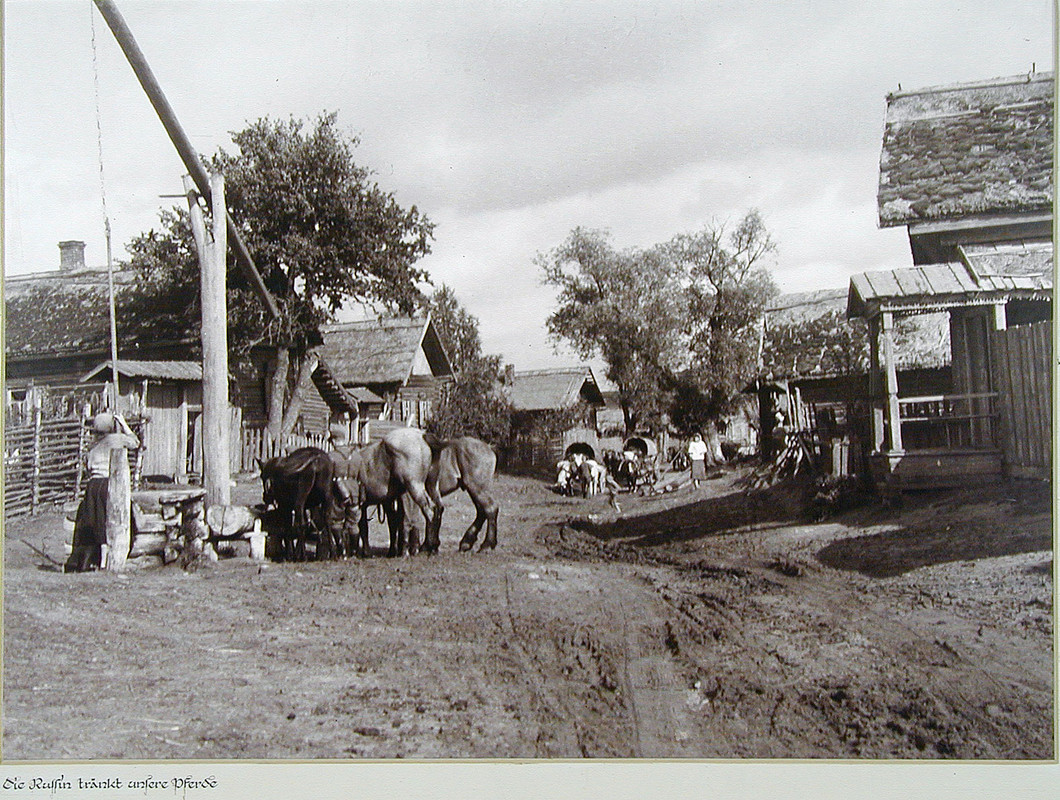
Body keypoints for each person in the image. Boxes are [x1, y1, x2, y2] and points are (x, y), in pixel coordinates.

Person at [64, 412, 140, 573]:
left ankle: (92, 561)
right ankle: (107, 561)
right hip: (108, 482)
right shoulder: (117, 439)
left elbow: (87, 467)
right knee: (109, 521)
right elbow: (135, 442)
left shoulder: (93, 446)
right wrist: (124, 424)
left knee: (94, 522)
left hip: (92, 486)